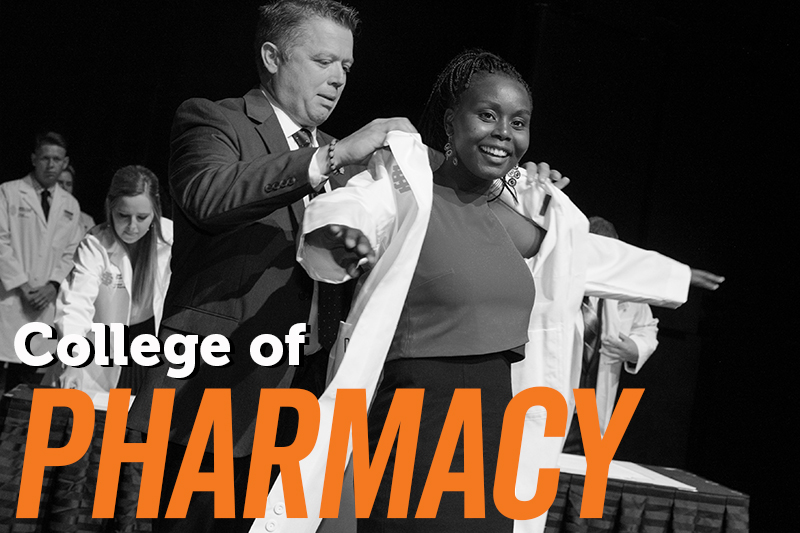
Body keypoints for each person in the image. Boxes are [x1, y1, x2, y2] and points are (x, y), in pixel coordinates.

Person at [275, 49, 723, 533]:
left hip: (495, 419)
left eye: (518, 121)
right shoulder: (406, 182)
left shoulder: (517, 211)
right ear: (450, 121)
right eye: (487, 115)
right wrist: (339, 233)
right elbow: (356, 206)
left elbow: (579, 256)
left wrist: (675, 276)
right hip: (421, 411)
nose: (503, 132)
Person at [125, 1, 415, 531]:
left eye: (346, 68)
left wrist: (514, 191)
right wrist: (326, 160)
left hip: (303, 402)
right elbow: (209, 196)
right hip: (213, 392)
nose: (338, 79)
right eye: (325, 60)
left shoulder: (345, 159)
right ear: (273, 56)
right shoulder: (214, 119)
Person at [54, 165, 172, 396]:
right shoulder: (95, 245)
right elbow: (76, 303)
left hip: (154, 350)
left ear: (155, 210)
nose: (132, 226)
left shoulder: (173, 240)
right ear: (110, 207)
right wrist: (73, 360)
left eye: (142, 217)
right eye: (123, 216)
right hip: (104, 357)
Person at [563, 216, 660, 454]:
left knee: (581, 480)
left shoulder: (623, 290)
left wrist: (636, 348)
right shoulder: (559, 281)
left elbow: (647, 326)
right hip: (551, 402)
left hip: (591, 411)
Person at [0, 131, 83, 393]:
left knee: (26, 384)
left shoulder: (70, 204)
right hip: (11, 297)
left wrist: (52, 285)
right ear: (34, 159)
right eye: (45, 158)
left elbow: (72, 251)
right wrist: (22, 286)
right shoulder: (9, 192)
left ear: (65, 162)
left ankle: (13, 434)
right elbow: (1, 241)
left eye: (56, 159)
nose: (51, 164)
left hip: (45, 303)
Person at [56, 164, 97, 234]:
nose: (64, 187)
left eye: (68, 184)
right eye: (60, 183)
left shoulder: (86, 220)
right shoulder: (43, 213)